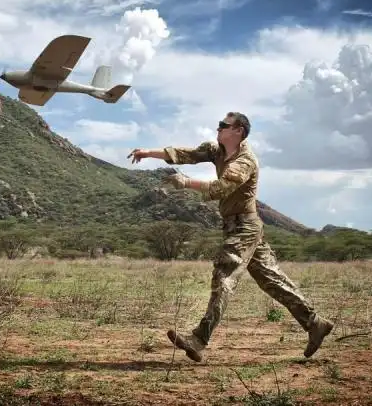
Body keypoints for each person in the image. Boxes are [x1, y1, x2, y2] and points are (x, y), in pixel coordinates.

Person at [127, 112, 333, 362]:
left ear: (239, 131)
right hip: (242, 226)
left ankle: (199, 339)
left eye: (223, 125)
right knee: (272, 280)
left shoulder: (244, 161)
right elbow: (188, 154)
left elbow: (219, 188)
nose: (218, 127)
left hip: (244, 228)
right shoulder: (219, 151)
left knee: (224, 276)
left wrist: (185, 183)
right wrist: (148, 152)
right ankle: (315, 323)